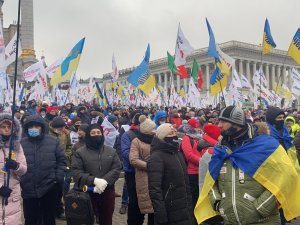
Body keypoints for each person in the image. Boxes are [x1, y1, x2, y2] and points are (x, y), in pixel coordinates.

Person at [202, 106, 281, 224]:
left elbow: (281, 180)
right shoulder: (220, 149)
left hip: (263, 221)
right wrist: (218, 203)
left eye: (223, 121)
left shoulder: (264, 145)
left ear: (236, 122)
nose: (219, 125)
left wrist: (260, 208)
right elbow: (210, 181)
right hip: (230, 221)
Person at [21, 114, 66, 225]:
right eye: (31, 127)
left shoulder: (53, 141)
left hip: (49, 187)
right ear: (27, 128)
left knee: (48, 217)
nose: (34, 129)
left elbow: (61, 161)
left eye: (37, 126)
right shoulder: (21, 143)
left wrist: (57, 178)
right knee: (30, 218)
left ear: (42, 127)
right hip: (28, 187)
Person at [72, 124, 122, 225]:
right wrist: (94, 180)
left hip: (107, 191)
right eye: (93, 133)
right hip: (87, 192)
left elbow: (117, 168)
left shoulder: (111, 151)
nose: (96, 135)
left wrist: (104, 181)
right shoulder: (80, 153)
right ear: (88, 135)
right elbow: (77, 173)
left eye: (98, 132)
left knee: (106, 219)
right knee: (87, 219)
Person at [148, 123, 194, 225]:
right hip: (169, 210)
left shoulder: (178, 154)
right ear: (163, 136)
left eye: (174, 132)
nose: (174, 135)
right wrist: (161, 214)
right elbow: (155, 189)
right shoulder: (157, 157)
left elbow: (185, 184)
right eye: (170, 133)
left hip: (184, 209)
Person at [0, 113, 27, 225]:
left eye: (9, 127)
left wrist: (15, 166)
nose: (6, 129)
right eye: (3, 127)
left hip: (12, 195)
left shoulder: (17, 146)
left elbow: (24, 169)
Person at [129, 115, 156, 225]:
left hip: (157, 175)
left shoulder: (157, 139)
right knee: (144, 203)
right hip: (143, 175)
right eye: (152, 128)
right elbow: (133, 159)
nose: (155, 130)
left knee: (155, 207)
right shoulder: (137, 141)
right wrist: (149, 166)